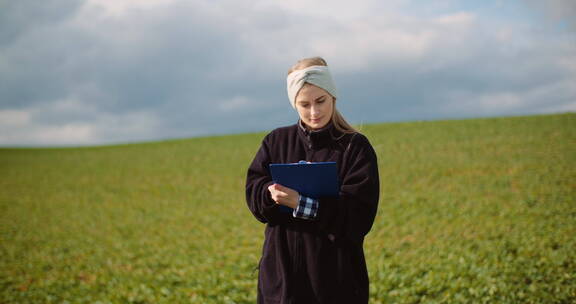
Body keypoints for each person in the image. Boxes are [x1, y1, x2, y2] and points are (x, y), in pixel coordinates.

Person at [245, 56, 380, 304]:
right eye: (304, 104)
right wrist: (269, 194)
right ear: (294, 104)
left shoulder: (355, 147)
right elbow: (254, 195)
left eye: (321, 101)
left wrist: (301, 203)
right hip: (281, 282)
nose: (314, 112)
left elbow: (359, 218)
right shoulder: (275, 142)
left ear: (333, 97)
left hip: (335, 283)